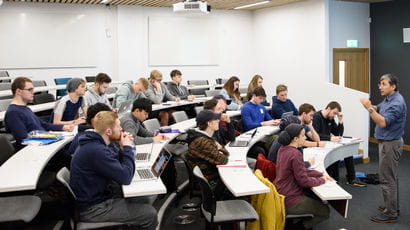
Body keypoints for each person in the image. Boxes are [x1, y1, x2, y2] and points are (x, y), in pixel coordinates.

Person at [70, 111, 157, 229]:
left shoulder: (98, 143)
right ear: (108, 131)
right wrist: (127, 148)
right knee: (149, 214)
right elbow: (125, 177)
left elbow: (117, 163)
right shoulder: (97, 151)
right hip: (93, 209)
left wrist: (122, 148)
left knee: (143, 199)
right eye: (118, 126)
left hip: (100, 197)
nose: (121, 129)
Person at [360, 74, 406, 223]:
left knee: (387, 179)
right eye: (380, 83)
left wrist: (368, 108)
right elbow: (378, 108)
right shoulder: (388, 99)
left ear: (393, 86)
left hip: (390, 144)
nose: (380, 86)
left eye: (384, 84)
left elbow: (383, 122)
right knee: (390, 177)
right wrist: (369, 106)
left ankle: (391, 213)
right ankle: (392, 207)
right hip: (387, 143)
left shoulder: (397, 103)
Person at [274, 124, 332, 230]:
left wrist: (320, 174)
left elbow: (301, 170)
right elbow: (304, 181)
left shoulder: (283, 149)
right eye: (303, 136)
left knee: (315, 199)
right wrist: (322, 180)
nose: (305, 138)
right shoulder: (295, 154)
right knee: (325, 211)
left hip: (280, 193)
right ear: (295, 139)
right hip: (290, 199)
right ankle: (297, 227)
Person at [5, 77, 73, 149]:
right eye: (29, 89)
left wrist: (63, 127)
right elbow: (24, 139)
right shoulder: (13, 113)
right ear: (18, 91)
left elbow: (43, 125)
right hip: (37, 149)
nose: (33, 92)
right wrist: (51, 137)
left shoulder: (25, 108)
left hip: (45, 143)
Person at [313, 101, 365, 187]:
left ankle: (351, 178)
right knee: (335, 155)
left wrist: (340, 121)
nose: (334, 116)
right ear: (328, 108)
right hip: (319, 146)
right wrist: (330, 138)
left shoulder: (330, 118)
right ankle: (335, 178)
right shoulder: (317, 117)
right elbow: (316, 135)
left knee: (348, 151)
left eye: (336, 114)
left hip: (327, 144)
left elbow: (338, 133)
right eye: (334, 113)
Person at [185, 110, 231, 199]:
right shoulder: (202, 142)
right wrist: (221, 151)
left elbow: (225, 153)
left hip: (210, 176)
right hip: (210, 181)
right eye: (216, 120)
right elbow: (223, 160)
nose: (218, 121)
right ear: (209, 123)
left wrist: (221, 149)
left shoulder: (204, 137)